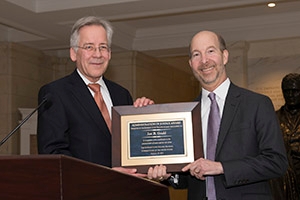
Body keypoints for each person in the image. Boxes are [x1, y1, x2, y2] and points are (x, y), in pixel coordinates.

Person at [147, 30, 288, 200]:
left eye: (211, 51)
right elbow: (185, 177)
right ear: (191, 63)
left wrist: (221, 167)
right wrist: (167, 175)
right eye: (196, 54)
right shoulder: (186, 114)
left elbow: (276, 162)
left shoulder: (257, 104)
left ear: (225, 56)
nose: (204, 61)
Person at [37, 16, 153, 176]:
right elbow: (53, 155)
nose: (97, 54)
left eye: (103, 47)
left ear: (110, 53)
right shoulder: (55, 93)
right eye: (89, 47)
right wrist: (106, 174)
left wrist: (146, 118)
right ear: (73, 53)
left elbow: (131, 148)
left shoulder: (122, 94)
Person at [270, 73, 300, 199]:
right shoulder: (274, 118)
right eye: (287, 91)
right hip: (283, 181)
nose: (291, 95)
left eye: (295, 91)